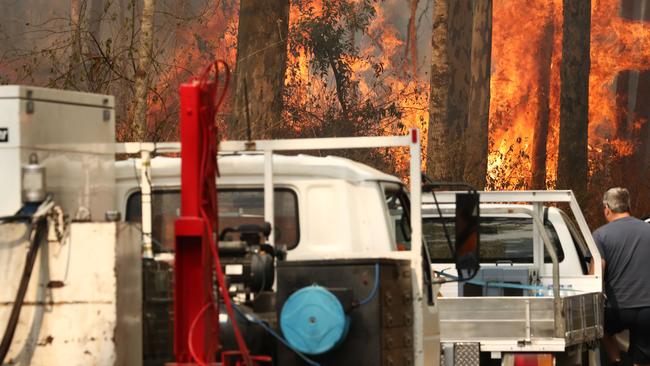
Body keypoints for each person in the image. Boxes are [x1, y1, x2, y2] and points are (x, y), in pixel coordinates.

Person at [592, 187, 650, 366]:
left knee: (600, 328)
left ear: (607, 208)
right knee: (643, 356)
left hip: (617, 310)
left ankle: (616, 361)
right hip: (647, 308)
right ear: (628, 206)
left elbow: (597, 271)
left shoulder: (601, 234)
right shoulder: (647, 229)